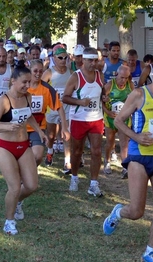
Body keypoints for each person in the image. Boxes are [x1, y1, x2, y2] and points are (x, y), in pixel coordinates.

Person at [103, 59, 153, 262]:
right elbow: (118, 121)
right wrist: (137, 137)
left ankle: (149, 251)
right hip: (139, 157)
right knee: (137, 211)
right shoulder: (139, 95)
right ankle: (118, 212)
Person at [0, 62, 48, 235]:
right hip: (5, 146)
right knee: (14, 187)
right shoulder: (4, 101)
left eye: (29, 82)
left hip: (23, 145)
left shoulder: (28, 97)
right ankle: (9, 221)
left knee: (31, 185)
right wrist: (8, 127)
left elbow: (29, 117)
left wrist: (40, 132)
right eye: (24, 82)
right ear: (13, 81)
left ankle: (17, 202)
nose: (27, 85)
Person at [62, 47, 105, 196]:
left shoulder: (100, 75)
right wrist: (80, 102)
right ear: (83, 60)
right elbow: (65, 97)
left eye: (95, 60)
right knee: (77, 151)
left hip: (96, 118)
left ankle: (94, 183)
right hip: (79, 119)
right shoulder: (76, 76)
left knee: (96, 151)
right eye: (90, 60)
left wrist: (104, 99)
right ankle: (74, 177)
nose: (93, 63)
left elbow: (102, 94)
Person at [27, 59, 70, 166]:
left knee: (37, 156)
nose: (38, 74)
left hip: (37, 128)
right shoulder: (23, 86)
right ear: (30, 71)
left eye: (41, 71)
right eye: (35, 71)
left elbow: (59, 107)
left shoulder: (47, 89)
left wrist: (64, 127)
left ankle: (27, 176)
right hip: (20, 126)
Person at [41, 46, 72, 167]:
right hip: (52, 109)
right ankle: (50, 151)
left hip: (66, 108)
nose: (63, 60)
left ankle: (67, 160)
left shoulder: (70, 72)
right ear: (54, 59)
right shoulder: (49, 72)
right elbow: (41, 88)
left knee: (66, 135)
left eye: (65, 57)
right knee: (51, 135)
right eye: (60, 58)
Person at [102, 65, 134, 176]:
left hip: (124, 119)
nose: (123, 80)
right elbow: (100, 101)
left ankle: (125, 166)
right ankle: (106, 161)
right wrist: (107, 111)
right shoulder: (110, 85)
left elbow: (135, 100)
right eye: (121, 77)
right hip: (111, 119)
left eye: (126, 78)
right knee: (110, 143)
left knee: (124, 144)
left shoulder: (130, 85)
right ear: (117, 75)